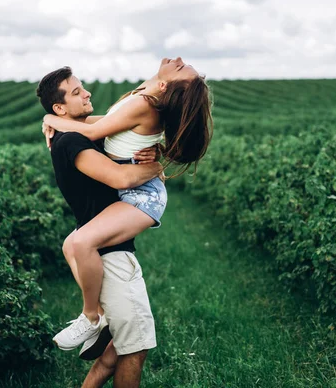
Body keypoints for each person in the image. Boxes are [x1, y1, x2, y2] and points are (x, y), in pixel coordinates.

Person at [43, 57, 214, 355]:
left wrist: (50, 120)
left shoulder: (145, 104)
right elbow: (106, 124)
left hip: (142, 196)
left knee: (82, 242)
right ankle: (102, 319)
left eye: (183, 69)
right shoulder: (145, 95)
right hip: (134, 189)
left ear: (166, 85)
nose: (181, 61)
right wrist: (60, 121)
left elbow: (94, 133)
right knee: (71, 245)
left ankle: (90, 317)